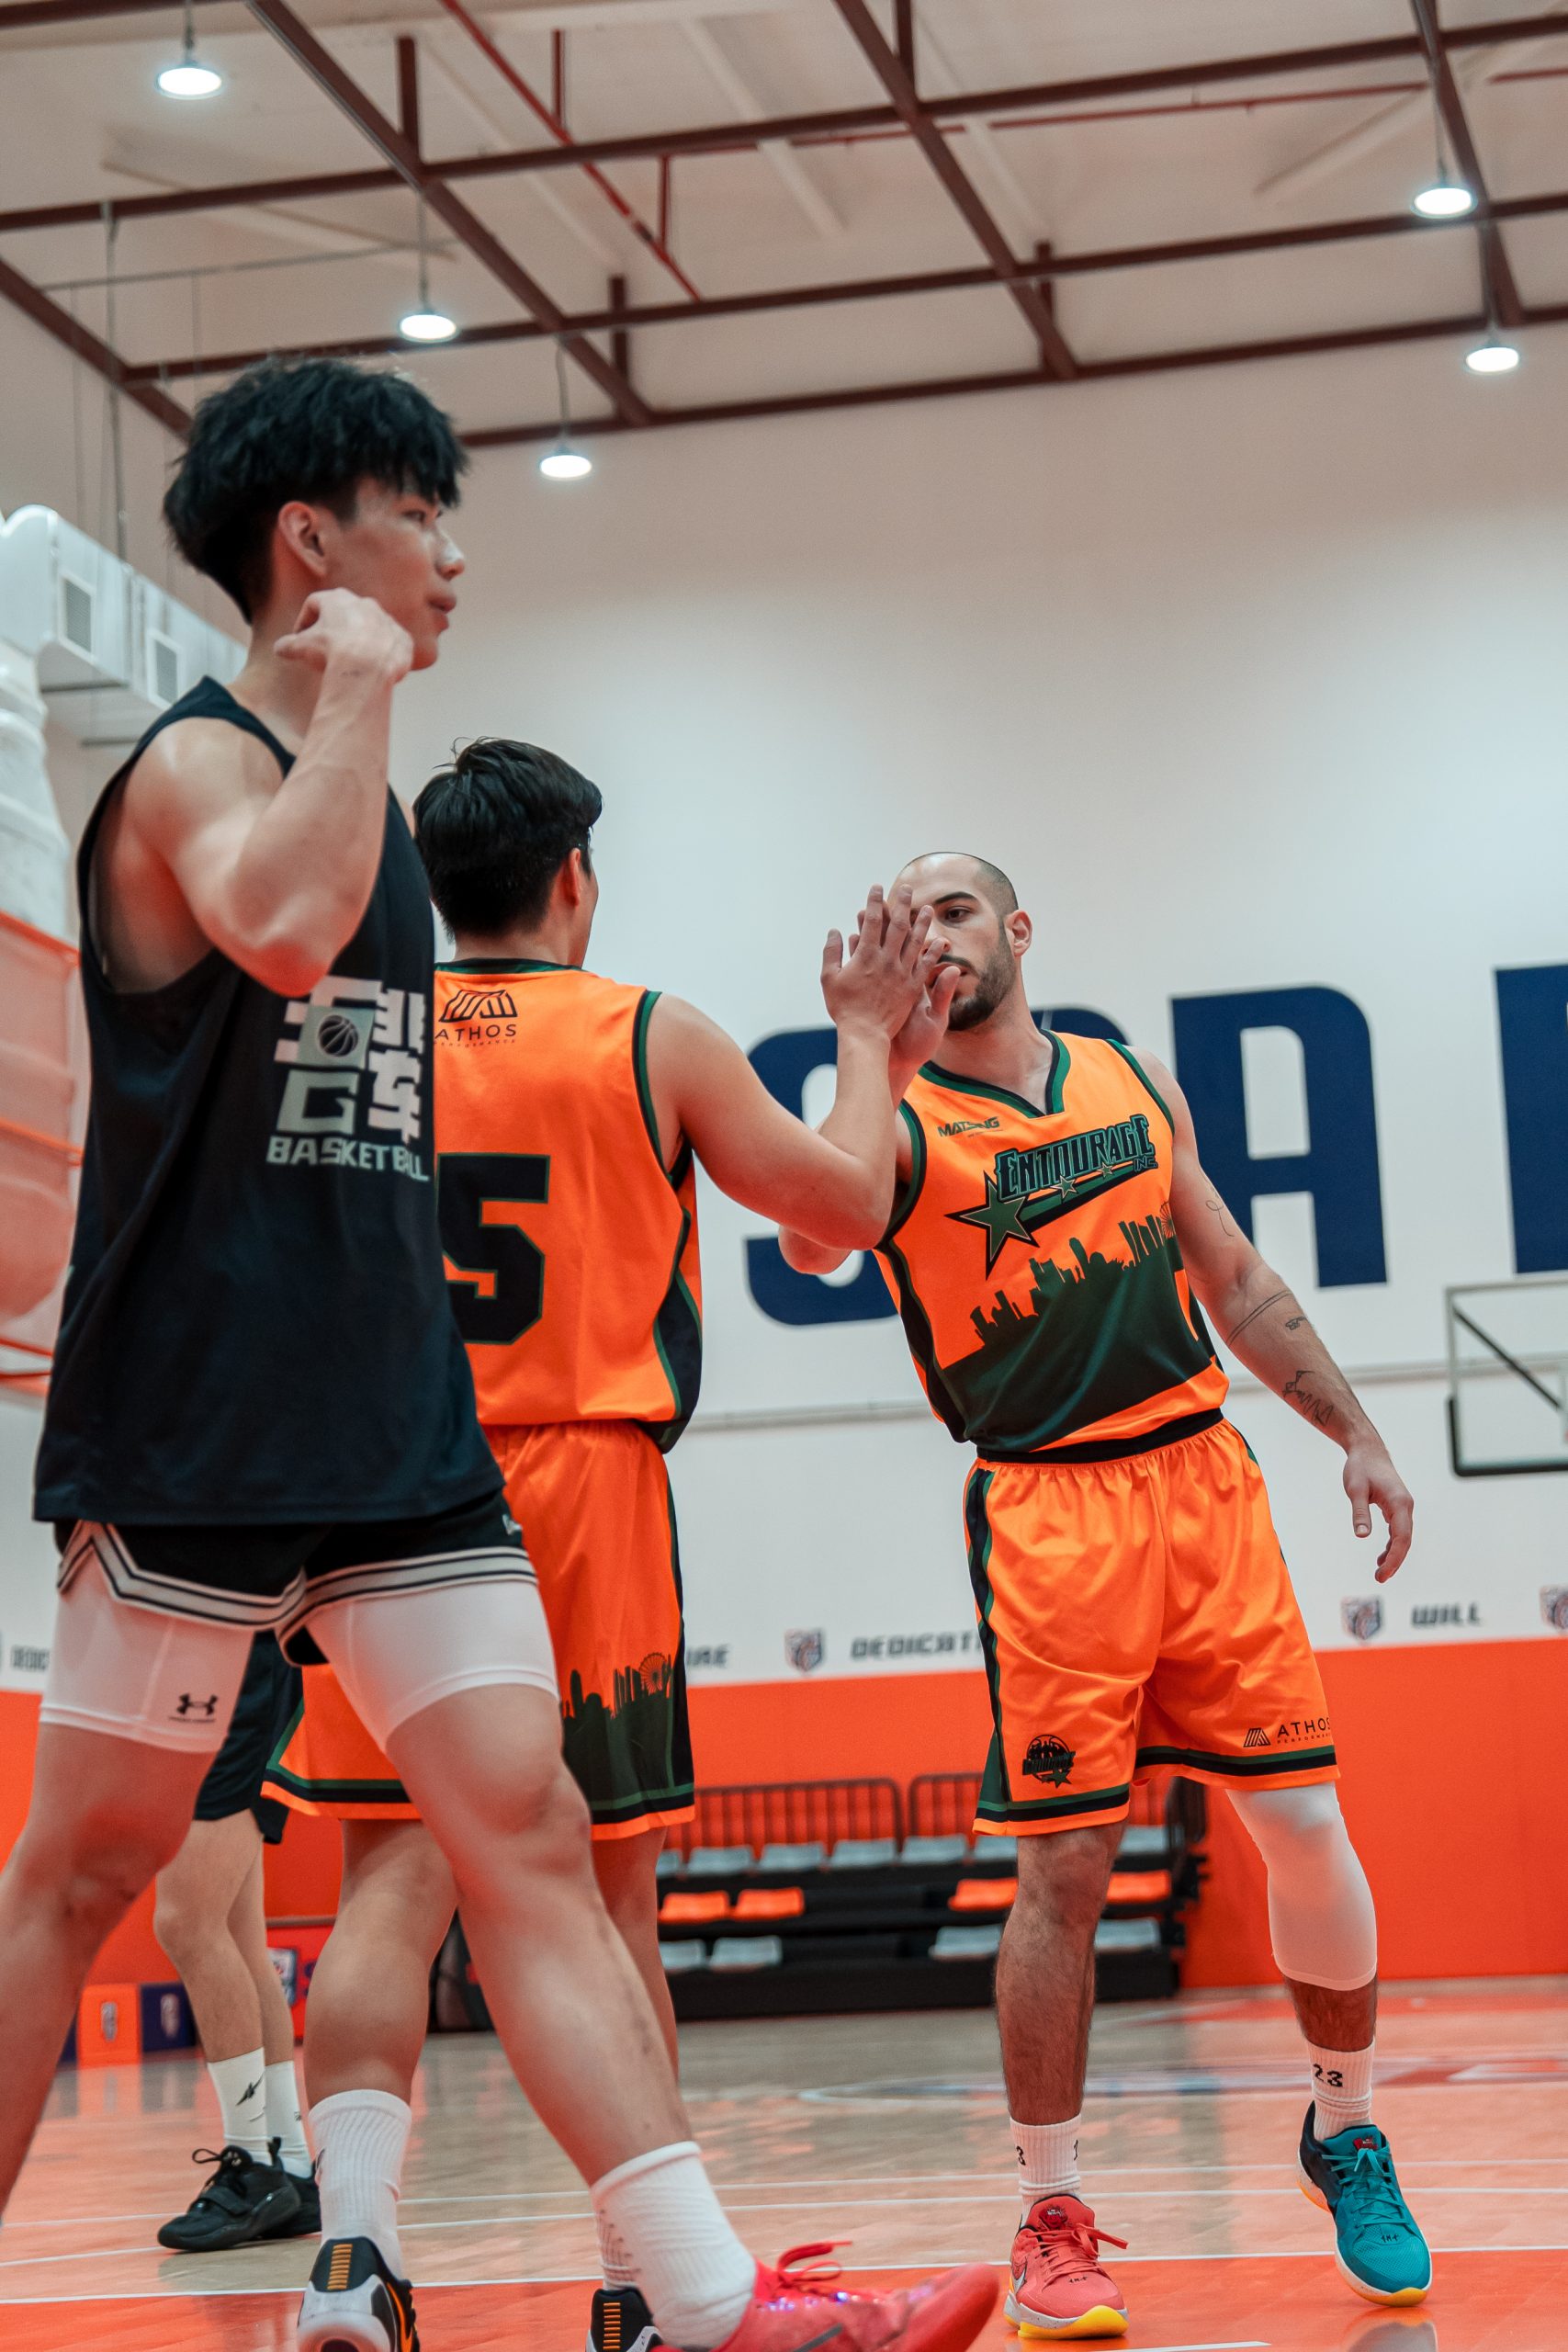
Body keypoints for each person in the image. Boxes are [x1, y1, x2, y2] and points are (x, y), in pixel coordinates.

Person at [0, 353, 993, 2352]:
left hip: (407, 1433)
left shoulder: (366, 805)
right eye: (417, 515)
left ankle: (701, 2301)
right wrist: (358, 685)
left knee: (520, 1838)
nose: (451, 557)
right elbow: (283, 929)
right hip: (201, 1421)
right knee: (81, 1877)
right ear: (311, 538)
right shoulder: (195, 770)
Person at [261, 737, 964, 2352]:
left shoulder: (350, 1034)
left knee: (385, 1886)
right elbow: (847, 1209)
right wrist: (869, 1042)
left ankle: (352, 2254)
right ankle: (647, 2282)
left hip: (382, 1481)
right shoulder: (650, 1035)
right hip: (579, 1486)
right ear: (574, 876)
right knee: (605, 1903)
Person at [779, 851, 1430, 2339]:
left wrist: (1354, 1431)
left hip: (1202, 1481)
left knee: (1304, 1825)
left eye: (955, 910)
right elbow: (814, 1239)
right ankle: (1050, 2212)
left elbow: (1234, 1278)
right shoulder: (893, 1120)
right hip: (1047, 1508)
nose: (932, 937)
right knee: (1066, 1870)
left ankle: (1343, 2127)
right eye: (907, 920)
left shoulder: (1128, 1079)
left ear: (1016, 930)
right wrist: (863, 1045)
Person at [153, 1633, 318, 2249]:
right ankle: (289, 2166)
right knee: (235, 1934)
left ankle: (251, 2165)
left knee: (186, 1922)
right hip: (225, 1671)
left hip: (239, 1668)